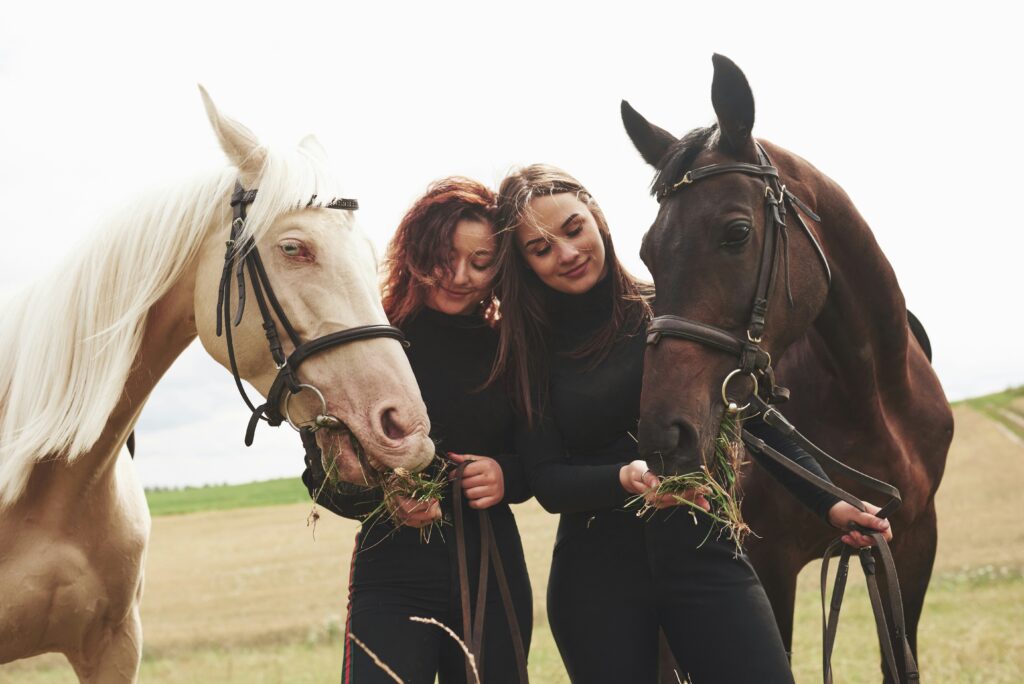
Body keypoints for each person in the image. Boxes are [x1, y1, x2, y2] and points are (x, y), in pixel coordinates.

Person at [490, 164, 892, 683]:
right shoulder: (529, 353)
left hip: (706, 553)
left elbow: (751, 416)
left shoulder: (670, 311)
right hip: (596, 583)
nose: (567, 253)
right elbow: (548, 480)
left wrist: (831, 500)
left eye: (573, 229)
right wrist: (625, 479)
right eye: (541, 249)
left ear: (597, 218)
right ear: (524, 264)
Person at [302, 177, 532, 684]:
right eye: (444, 256)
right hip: (391, 574)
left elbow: (540, 459)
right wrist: (386, 496)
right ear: (414, 251)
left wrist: (505, 475)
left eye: (481, 262)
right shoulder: (366, 344)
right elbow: (317, 474)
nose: (460, 275)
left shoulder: (511, 349)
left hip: (493, 569)